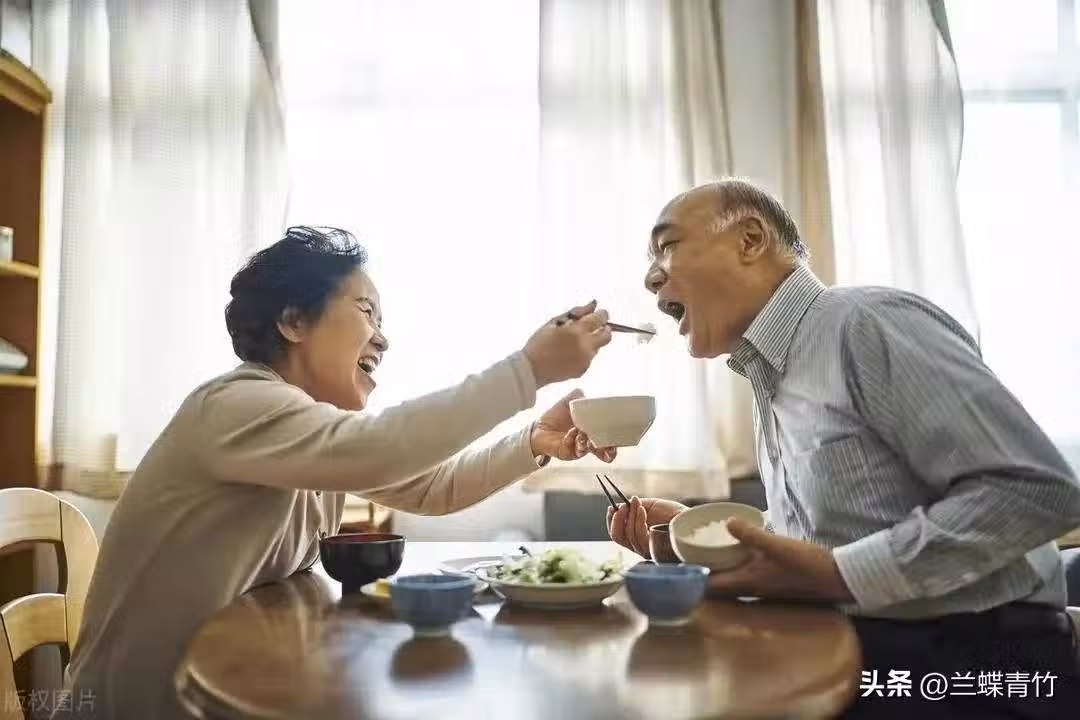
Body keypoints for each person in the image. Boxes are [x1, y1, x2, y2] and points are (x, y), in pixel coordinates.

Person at [60, 226, 617, 720]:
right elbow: (381, 448)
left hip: (215, 696)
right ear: (293, 320)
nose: (383, 339)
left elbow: (433, 487)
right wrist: (528, 370)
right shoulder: (234, 405)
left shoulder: (309, 435)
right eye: (367, 312)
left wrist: (532, 442)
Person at [607, 179, 1080, 718]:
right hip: (877, 646)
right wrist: (696, 538)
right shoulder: (773, 371)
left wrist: (839, 575)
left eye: (667, 246)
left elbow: (1038, 490)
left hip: (977, 662)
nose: (651, 278)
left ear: (750, 239)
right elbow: (836, 534)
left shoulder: (866, 323)